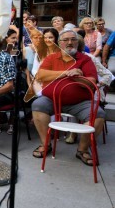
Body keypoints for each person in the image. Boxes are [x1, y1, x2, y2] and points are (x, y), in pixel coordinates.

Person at [31, 30, 105, 166]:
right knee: (37, 105)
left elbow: (92, 82)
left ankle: (82, 150)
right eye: (65, 40)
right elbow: (40, 75)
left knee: (98, 115)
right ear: (59, 43)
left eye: (73, 39)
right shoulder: (52, 58)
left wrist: (79, 77)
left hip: (80, 102)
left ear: (78, 42)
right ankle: (45, 144)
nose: (69, 42)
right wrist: (65, 73)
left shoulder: (85, 59)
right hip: (51, 99)